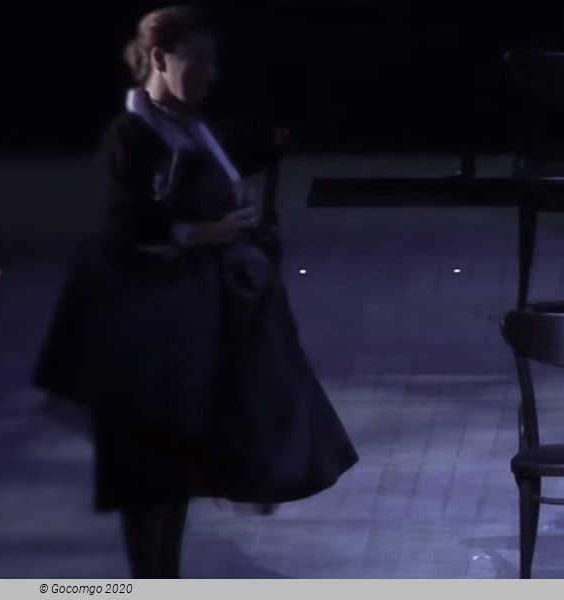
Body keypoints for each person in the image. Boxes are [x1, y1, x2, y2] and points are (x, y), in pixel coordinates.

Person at [31, 5, 358, 578]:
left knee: (175, 471)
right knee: (148, 471)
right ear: (159, 59)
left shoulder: (192, 126)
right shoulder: (134, 135)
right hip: (145, 335)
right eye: (197, 59)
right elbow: (127, 226)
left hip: (187, 328)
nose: (210, 73)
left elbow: (221, 166)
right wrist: (206, 232)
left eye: (213, 61)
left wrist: (269, 148)